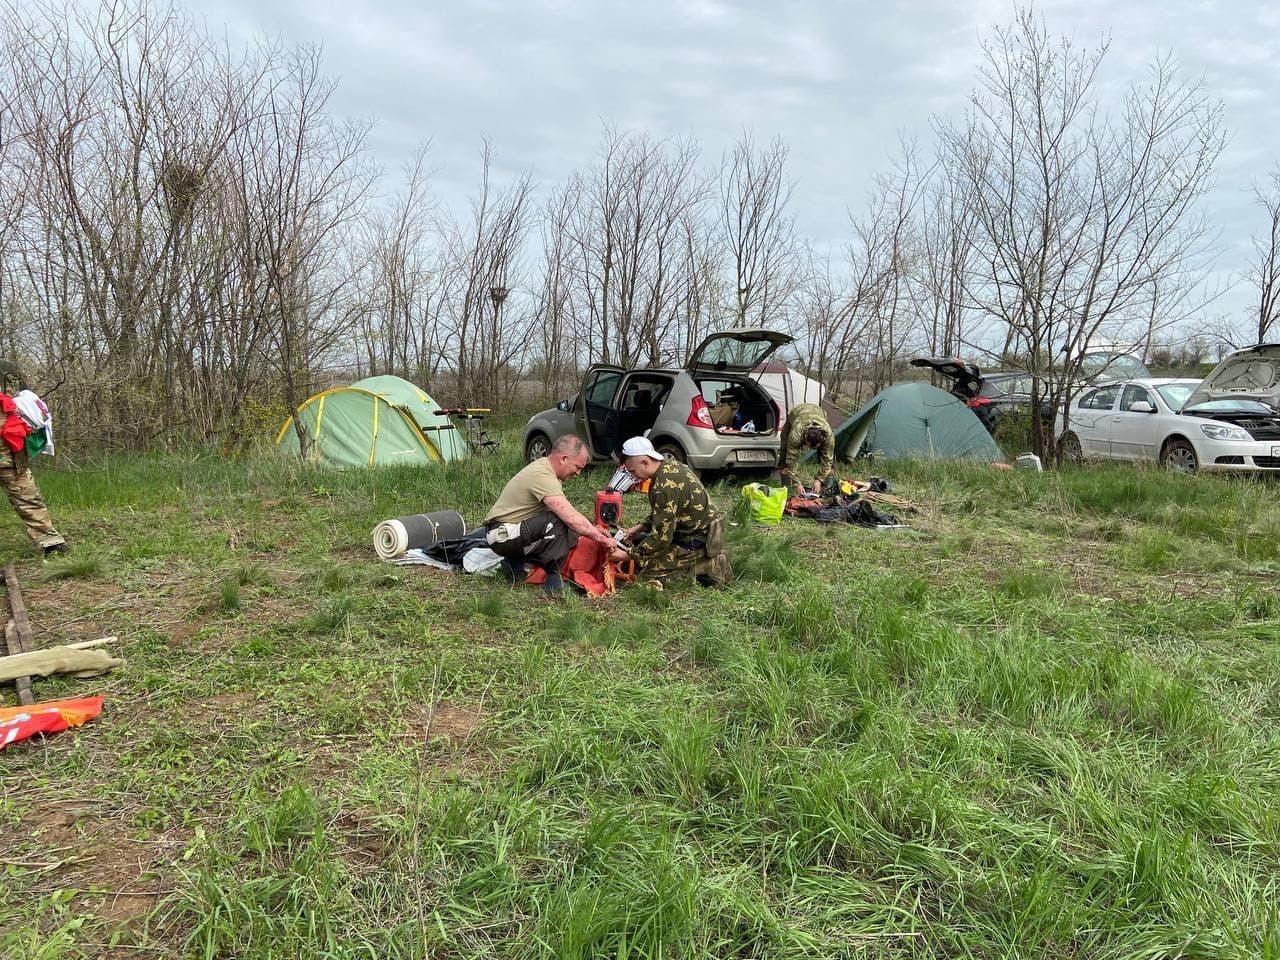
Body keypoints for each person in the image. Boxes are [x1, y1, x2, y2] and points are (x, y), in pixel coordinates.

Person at [483, 435, 614, 596]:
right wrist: (600, 538)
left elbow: (570, 515)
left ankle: (514, 565)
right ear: (564, 459)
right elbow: (570, 517)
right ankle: (553, 583)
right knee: (558, 522)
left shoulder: (547, 472)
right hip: (501, 535)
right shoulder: (542, 474)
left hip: (510, 532)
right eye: (578, 467)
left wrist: (592, 530)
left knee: (569, 533)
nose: (578, 473)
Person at [610, 437, 731, 587]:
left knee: (646, 576)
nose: (632, 476)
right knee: (640, 541)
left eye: (633, 471)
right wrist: (637, 528)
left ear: (645, 463)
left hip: (694, 540)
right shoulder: (670, 467)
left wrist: (627, 555)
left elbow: (661, 537)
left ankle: (707, 565)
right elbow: (665, 513)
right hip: (695, 531)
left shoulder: (663, 487)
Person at [0, 364, 67, 556]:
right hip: (10, 456)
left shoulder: (6, 368)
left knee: (28, 497)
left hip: (10, 457)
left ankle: (51, 543)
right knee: (28, 498)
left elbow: (26, 402)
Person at [777, 402, 835, 484]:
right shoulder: (796, 435)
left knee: (827, 460)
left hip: (817, 411)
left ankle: (826, 487)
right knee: (785, 446)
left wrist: (819, 479)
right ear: (805, 438)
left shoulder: (829, 436)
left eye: (814, 448)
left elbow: (828, 460)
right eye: (809, 446)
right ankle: (787, 486)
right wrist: (797, 483)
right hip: (796, 412)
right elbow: (792, 459)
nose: (810, 449)